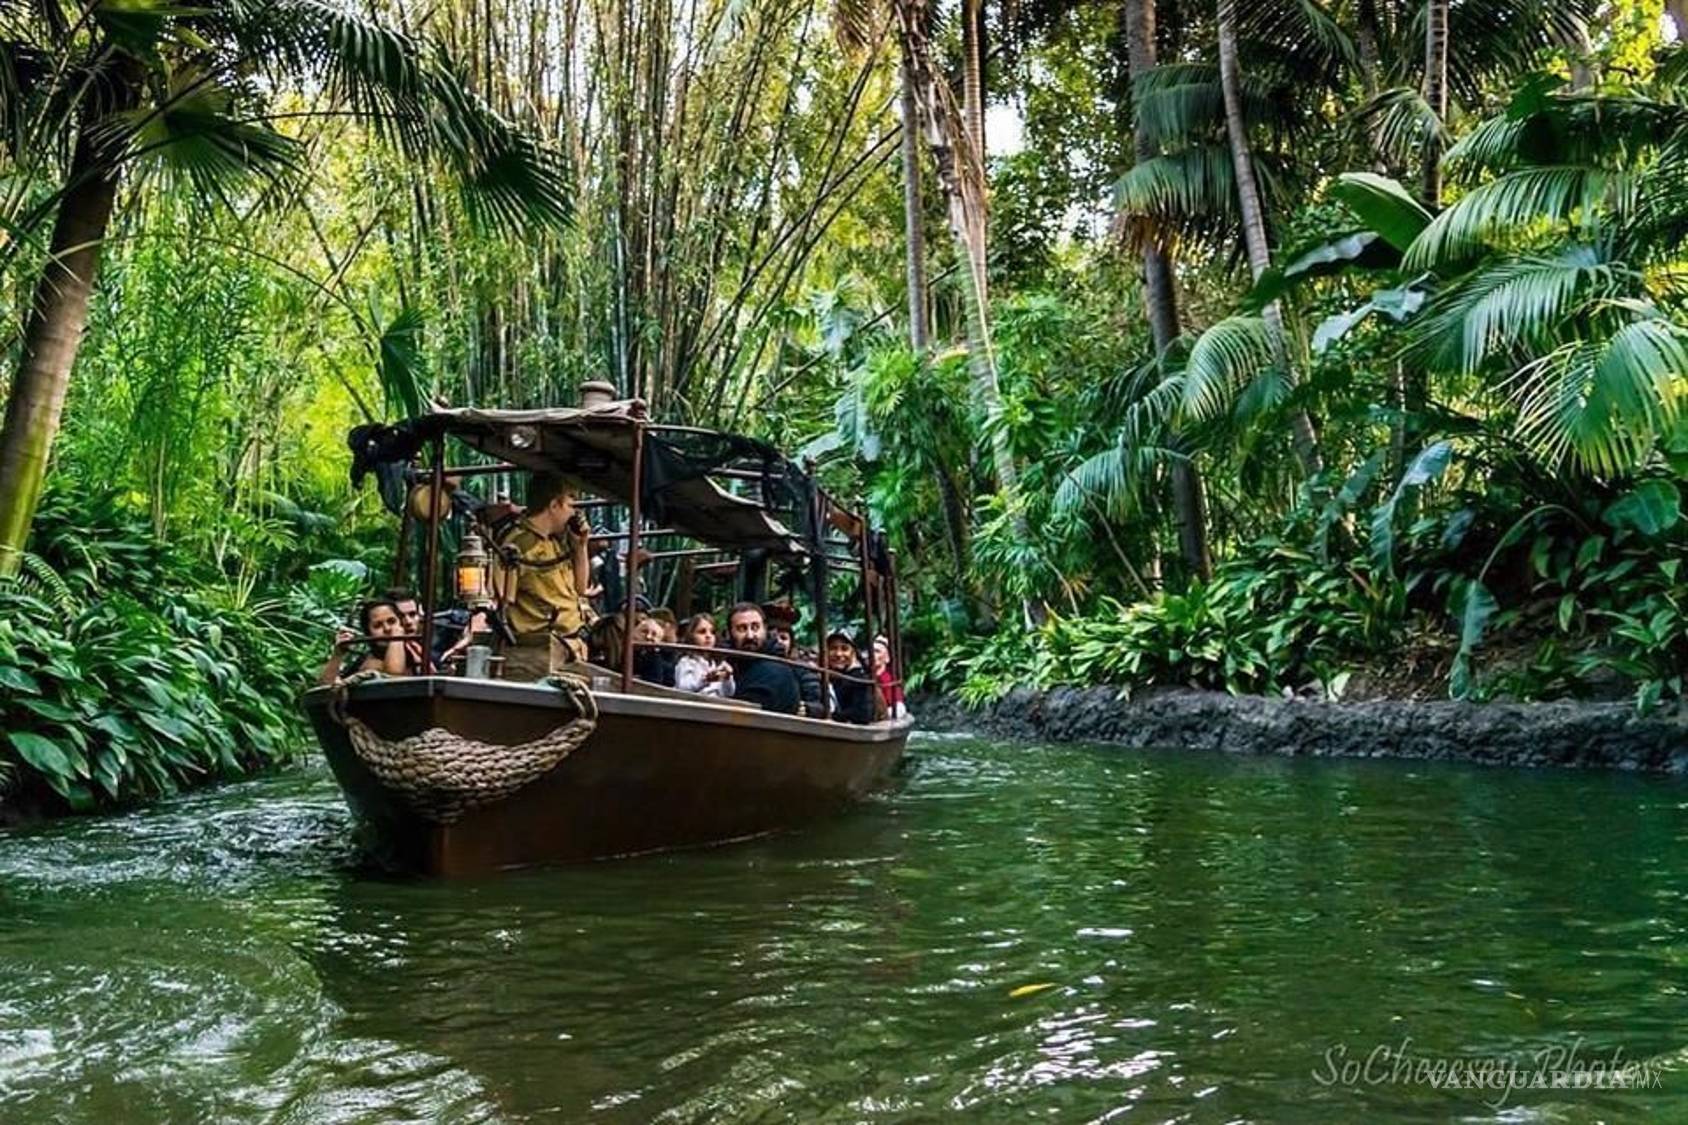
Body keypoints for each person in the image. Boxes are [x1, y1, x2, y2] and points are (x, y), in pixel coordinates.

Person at [494, 472, 593, 679]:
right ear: (554, 505)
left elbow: (581, 588)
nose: (574, 514)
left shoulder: (556, 543)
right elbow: (500, 598)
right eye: (570, 506)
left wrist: (580, 547)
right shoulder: (519, 545)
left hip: (569, 647)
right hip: (539, 651)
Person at [725, 602, 802, 714]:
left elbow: (744, 713)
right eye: (742, 628)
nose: (750, 635)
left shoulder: (772, 670)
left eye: (755, 627)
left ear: (765, 629)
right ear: (730, 633)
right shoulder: (731, 664)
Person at [317, 599, 410, 684]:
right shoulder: (367, 661)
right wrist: (338, 653)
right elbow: (393, 676)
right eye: (378, 626)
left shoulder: (414, 648)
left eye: (392, 621)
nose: (387, 628)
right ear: (368, 632)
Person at [673, 613, 735, 698]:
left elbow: (728, 693)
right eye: (702, 632)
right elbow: (683, 688)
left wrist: (728, 678)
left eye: (712, 632)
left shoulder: (717, 663)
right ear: (691, 636)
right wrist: (705, 679)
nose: (708, 636)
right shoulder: (686, 662)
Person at [824, 629, 877, 725]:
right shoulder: (823, 676)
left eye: (844, 649)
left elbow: (862, 714)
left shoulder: (860, 678)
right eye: (833, 648)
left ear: (853, 652)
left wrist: (831, 716)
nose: (838, 654)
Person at [631, 614, 676, 686]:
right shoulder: (627, 652)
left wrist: (653, 653)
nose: (648, 637)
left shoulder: (664, 657)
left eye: (654, 634)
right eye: (644, 631)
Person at [873, 636, 908, 719]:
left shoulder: (888, 679)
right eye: (871, 651)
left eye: (877, 651)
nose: (872, 655)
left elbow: (900, 707)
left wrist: (883, 714)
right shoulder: (864, 675)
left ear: (887, 657)